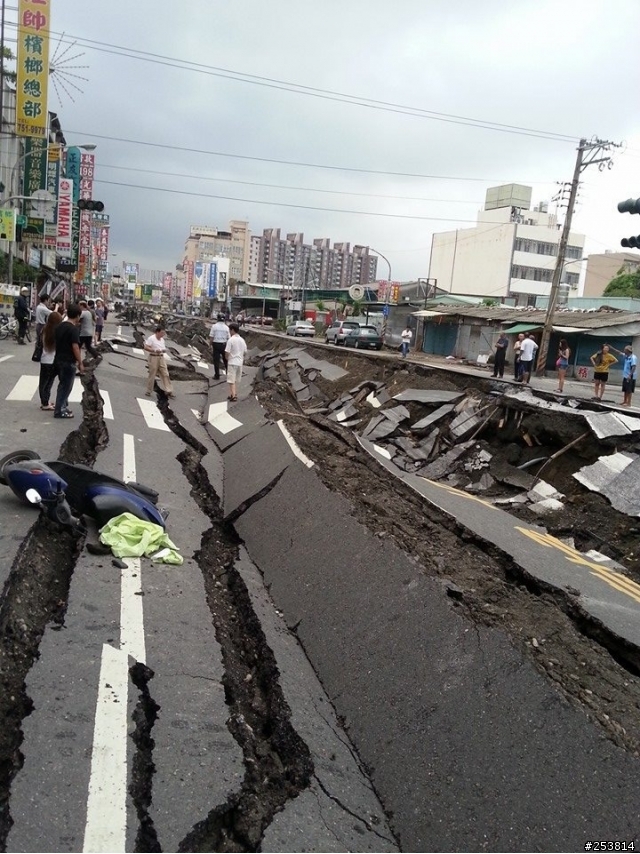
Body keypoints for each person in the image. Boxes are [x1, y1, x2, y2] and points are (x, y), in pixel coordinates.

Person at [53, 303, 84, 419]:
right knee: (66, 387)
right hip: (68, 361)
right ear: (77, 316)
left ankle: (63, 406)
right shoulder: (73, 329)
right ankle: (59, 410)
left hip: (58, 359)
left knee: (62, 385)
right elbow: (75, 347)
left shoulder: (59, 326)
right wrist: (80, 362)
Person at [38, 310, 62, 410]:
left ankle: (45, 401)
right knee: (49, 383)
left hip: (44, 359)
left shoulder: (44, 329)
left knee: (43, 382)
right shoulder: (57, 331)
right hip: (53, 360)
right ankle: (45, 404)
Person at [144, 325, 174, 397]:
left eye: (164, 333)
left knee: (165, 373)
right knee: (152, 374)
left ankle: (169, 390)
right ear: (157, 332)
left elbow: (162, 348)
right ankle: (149, 391)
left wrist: (163, 350)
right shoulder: (151, 338)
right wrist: (154, 350)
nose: (163, 335)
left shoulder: (162, 340)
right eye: (162, 333)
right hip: (153, 357)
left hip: (161, 357)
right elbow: (146, 347)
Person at [224, 322, 247, 402]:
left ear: (232, 330)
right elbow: (245, 352)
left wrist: (227, 358)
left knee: (231, 380)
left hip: (232, 362)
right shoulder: (242, 340)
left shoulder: (231, 340)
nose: (229, 332)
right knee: (235, 380)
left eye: (230, 330)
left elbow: (227, 351)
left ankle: (233, 396)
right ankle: (233, 393)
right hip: (239, 362)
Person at [209, 313, 229, 380]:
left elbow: (211, 337)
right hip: (224, 345)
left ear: (217, 319)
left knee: (216, 360)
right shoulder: (226, 327)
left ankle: (217, 376)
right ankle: (228, 375)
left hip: (216, 345)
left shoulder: (214, 326)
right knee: (226, 360)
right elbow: (228, 338)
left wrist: (210, 345)